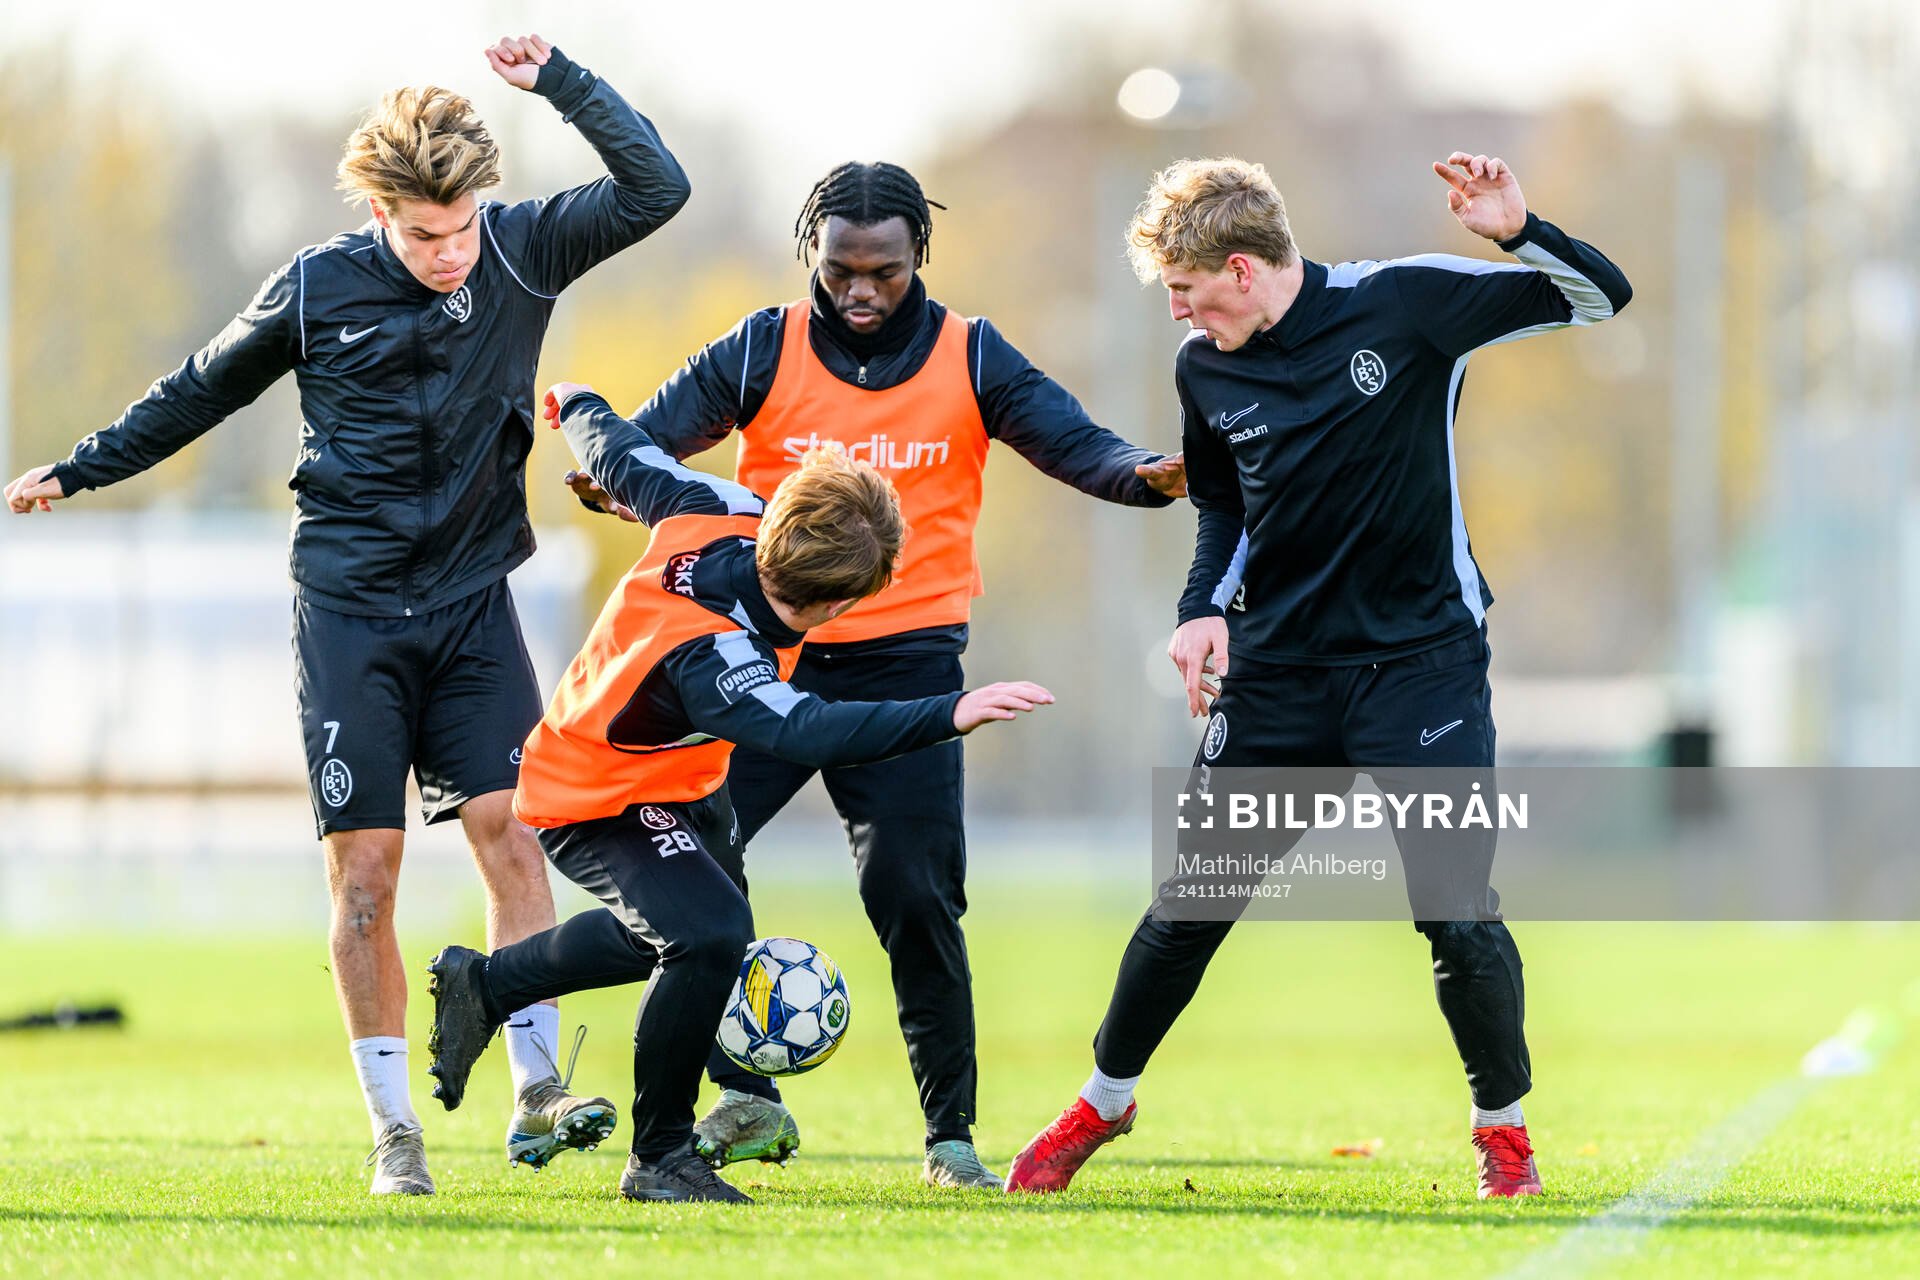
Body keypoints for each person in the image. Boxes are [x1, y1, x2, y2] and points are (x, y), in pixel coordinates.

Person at [2, 35, 692, 1196]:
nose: (448, 253)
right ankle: (395, 1133)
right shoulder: (318, 286)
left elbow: (656, 188)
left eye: (462, 225)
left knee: (514, 831)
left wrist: (562, 81)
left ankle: (534, 1090)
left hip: (475, 603)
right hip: (350, 612)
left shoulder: (521, 252)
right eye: (423, 234)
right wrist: (81, 469)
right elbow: (199, 387)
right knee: (365, 875)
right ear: (378, 210)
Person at [1005, 153, 1631, 1199]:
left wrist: (1518, 230)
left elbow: (1599, 298)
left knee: (1455, 910)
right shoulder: (1206, 366)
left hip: (1420, 670)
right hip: (1282, 675)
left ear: (1243, 270)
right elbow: (1224, 507)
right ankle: (1104, 1098)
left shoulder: (1407, 303)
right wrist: (1200, 610)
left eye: (1187, 292)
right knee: (1190, 905)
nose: (1178, 315)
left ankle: (1503, 1131)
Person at [568, 160, 1186, 1189]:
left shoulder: (971, 353)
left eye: (884, 272)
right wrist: (606, 480)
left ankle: (949, 1137)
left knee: (913, 891)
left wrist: (1144, 477)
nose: (860, 290)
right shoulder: (763, 345)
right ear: (811, 252)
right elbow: (647, 444)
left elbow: (1078, 444)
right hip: (763, 655)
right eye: (841, 268)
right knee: (699, 871)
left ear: (918, 258)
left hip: (908, 666)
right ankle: (743, 1093)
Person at [424, 382, 1055, 1204]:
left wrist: (578, 403)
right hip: (595, 789)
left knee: (682, 933)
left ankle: (487, 986)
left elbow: (624, 454)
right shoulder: (719, 655)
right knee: (709, 936)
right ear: (840, 605)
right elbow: (809, 730)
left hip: (683, 778)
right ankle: (660, 1157)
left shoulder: (718, 505)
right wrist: (951, 711)